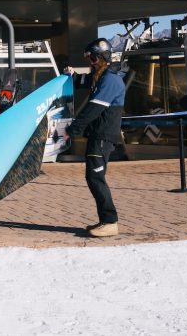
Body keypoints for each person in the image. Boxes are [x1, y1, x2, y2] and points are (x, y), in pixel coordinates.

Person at [64, 37, 125, 237]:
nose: (89, 62)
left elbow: (93, 109)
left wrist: (71, 130)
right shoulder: (102, 76)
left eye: (91, 58)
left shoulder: (111, 79)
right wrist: (71, 76)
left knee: (95, 177)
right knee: (93, 177)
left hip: (103, 135)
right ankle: (105, 220)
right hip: (97, 134)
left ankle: (110, 221)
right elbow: (86, 81)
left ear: (99, 57)